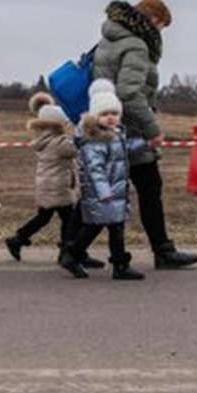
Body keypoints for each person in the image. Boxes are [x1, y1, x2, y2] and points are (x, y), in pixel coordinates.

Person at [92, 0, 197, 269]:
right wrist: (152, 128)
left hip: (107, 124)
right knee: (149, 187)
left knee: (101, 189)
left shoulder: (110, 38)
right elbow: (129, 93)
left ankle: (71, 248)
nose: (161, 33)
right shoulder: (137, 45)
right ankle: (163, 251)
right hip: (130, 128)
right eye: (162, 26)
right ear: (153, 20)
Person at [3, 92, 103, 268]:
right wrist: (89, 130)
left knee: (44, 217)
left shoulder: (44, 139)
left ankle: (18, 239)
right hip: (59, 187)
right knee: (69, 220)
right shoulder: (59, 142)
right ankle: (67, 252)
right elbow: (77, 148)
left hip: (49, 185)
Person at [60, 81, 147, 280]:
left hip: (114, 193)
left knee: (111, 227)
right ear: (95, 116)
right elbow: (95, 169)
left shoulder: (115, 135)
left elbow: (124, 150)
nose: (110, 118)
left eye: (114, 114)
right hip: (103, 194)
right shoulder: (94, 140)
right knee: (100, 227)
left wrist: (144, 143)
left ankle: (112, 263)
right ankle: (80, 256)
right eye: (105, 114)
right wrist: (104, 192)